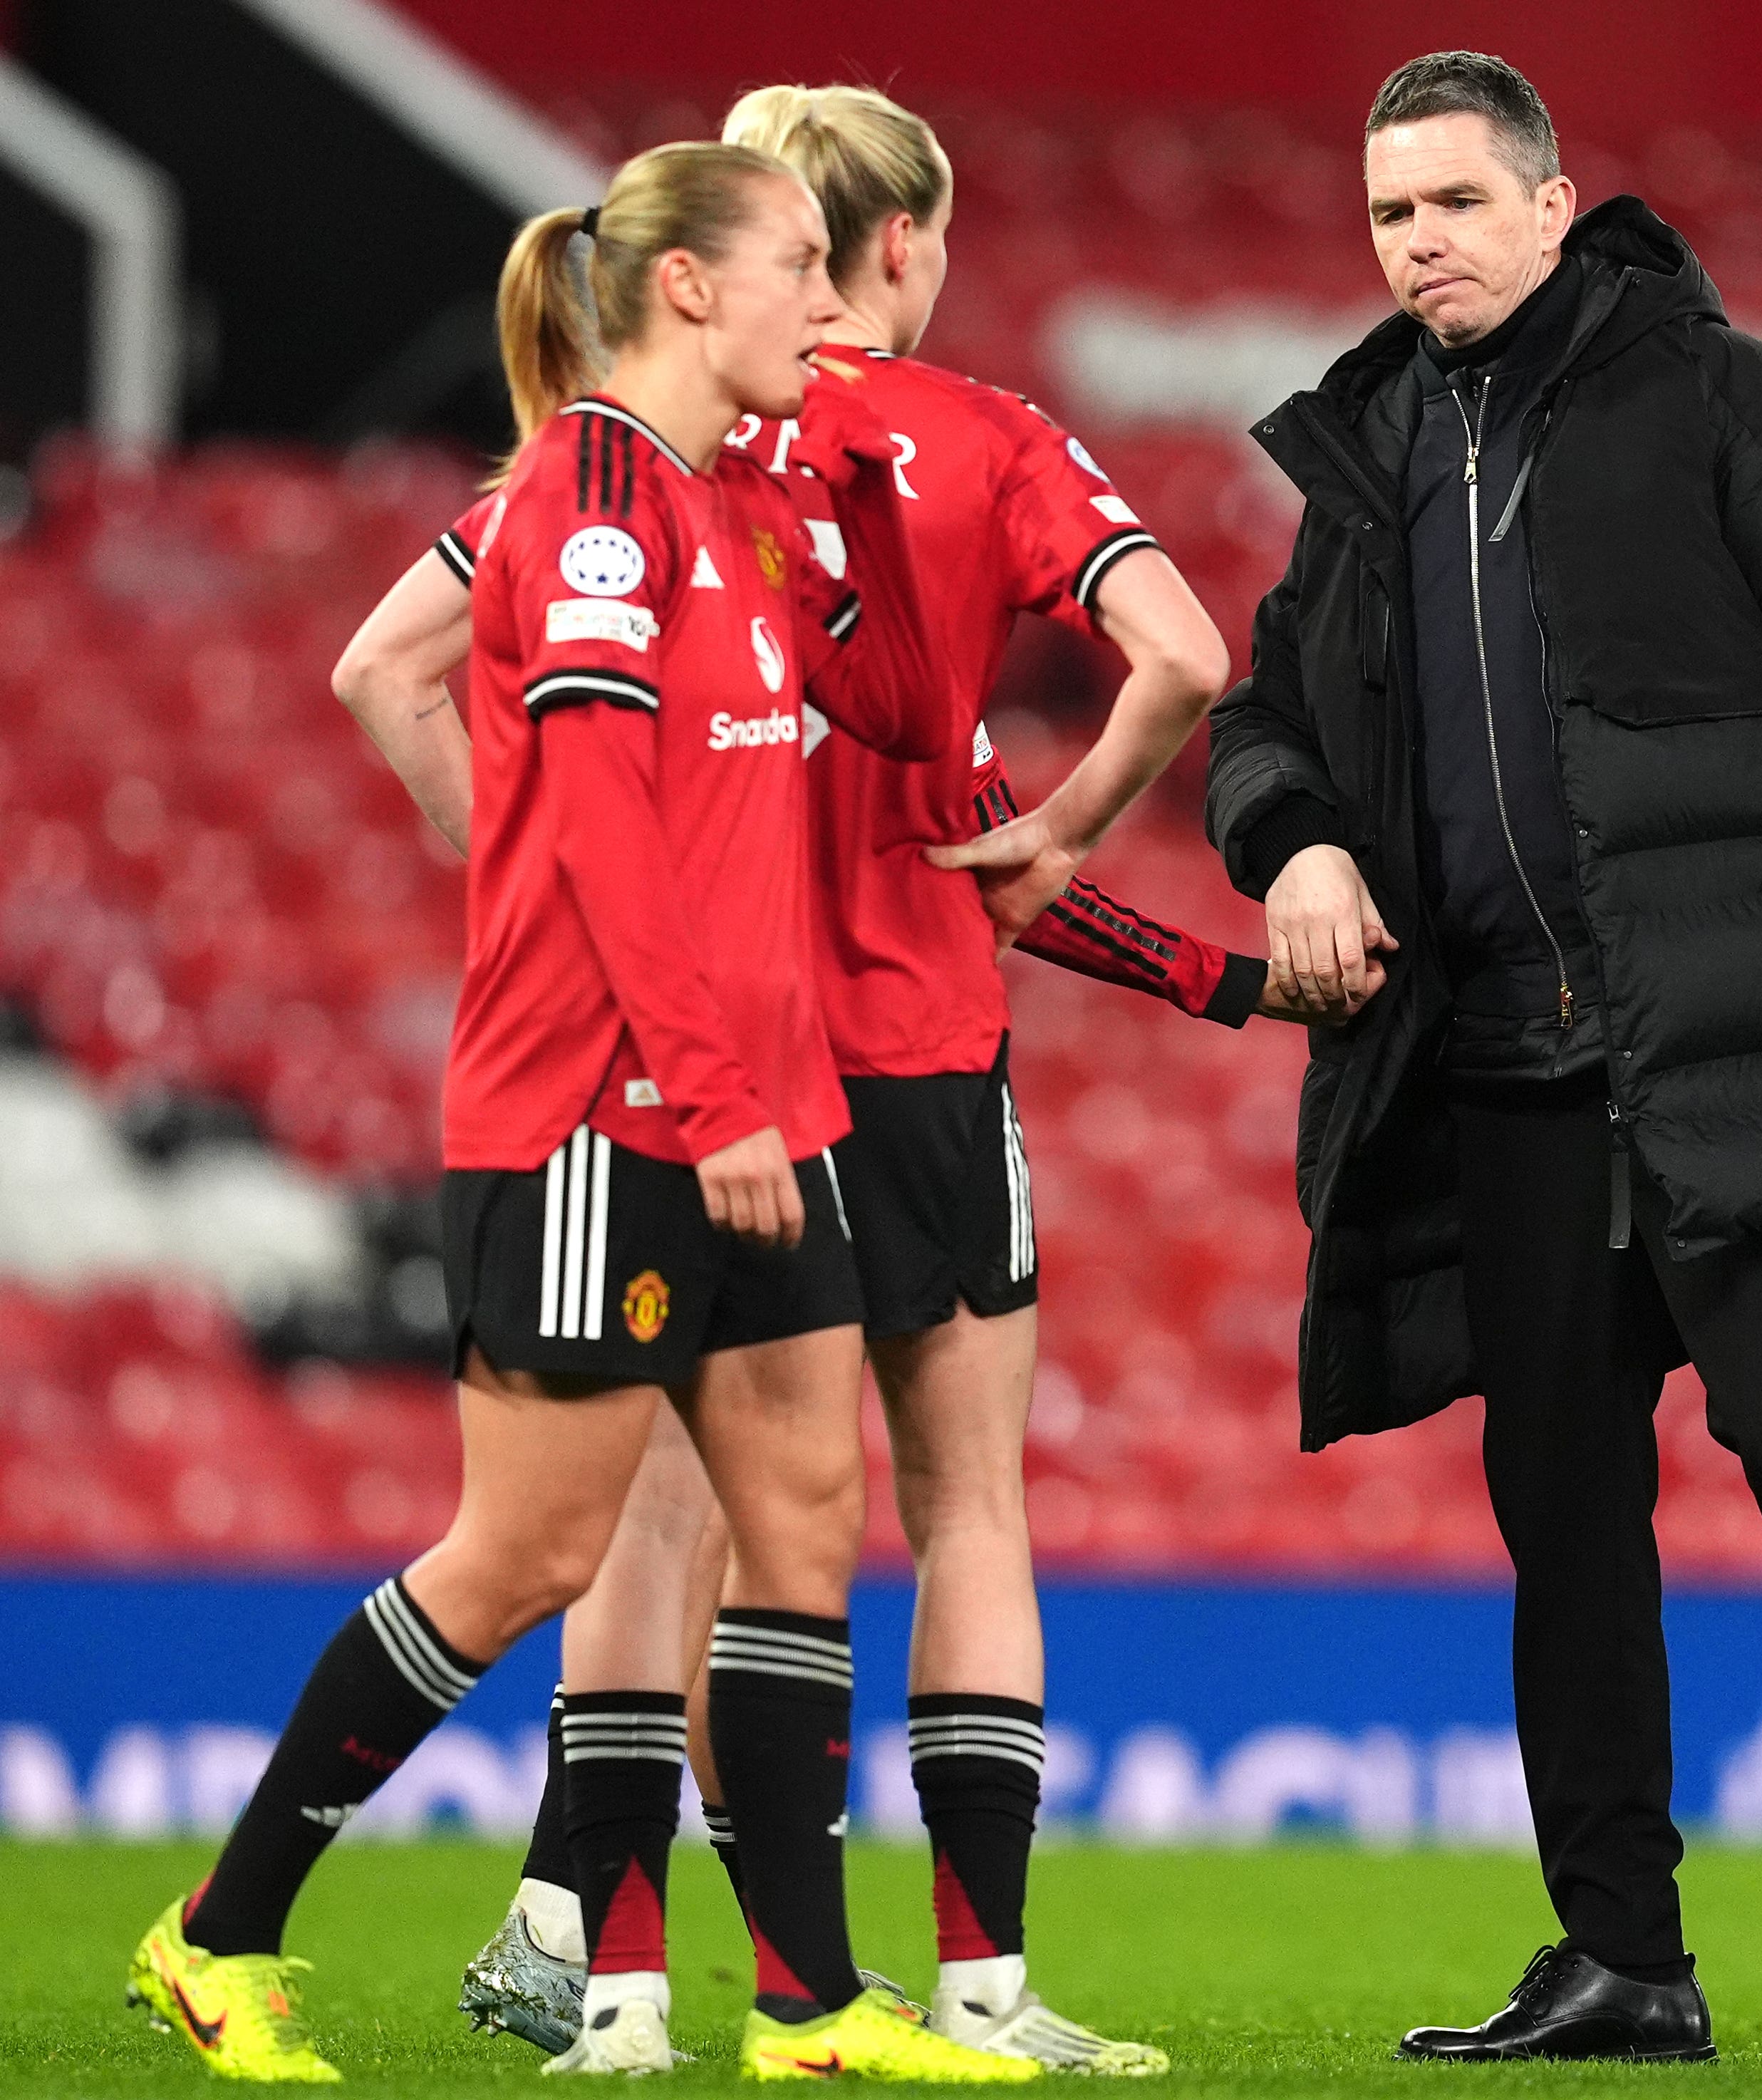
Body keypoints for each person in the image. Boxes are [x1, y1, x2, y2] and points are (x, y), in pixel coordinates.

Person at [332, 81, 1290, 2076]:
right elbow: (1186, 655)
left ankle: (611, 1982)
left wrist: (501, 860)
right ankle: (972, 1987)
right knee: (966, 1514)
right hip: (921, 1044)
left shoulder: (654, 456)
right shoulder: (983, 434)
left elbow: (385, 665)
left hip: (709, 1062)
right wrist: (1081, 846)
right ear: (907, 244)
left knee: (660, 1528)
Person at [128, 141, 1040, 2084]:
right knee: (524, 1554)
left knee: (805, 1515)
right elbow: (610, 827)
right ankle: (217, 1933)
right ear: (688, 288)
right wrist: (705, 1089)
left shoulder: (734, 506)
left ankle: (806, 2007)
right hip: (597, 1116)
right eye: (800, 263)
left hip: (756, 1105)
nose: (833, 299)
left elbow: (881, 726)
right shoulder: (597, 501)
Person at [1198, 50, 1762, 2068]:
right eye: (1390, 213)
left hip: (1729, 1017)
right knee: (1559, 1503)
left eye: (1454, 204)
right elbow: (1260, 714)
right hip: (1500, 1060)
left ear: (1553, 204)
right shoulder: (1371, 449)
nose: (1417, 245)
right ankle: (1619, 1955)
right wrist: (1291, 836)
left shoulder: (1723, 392)